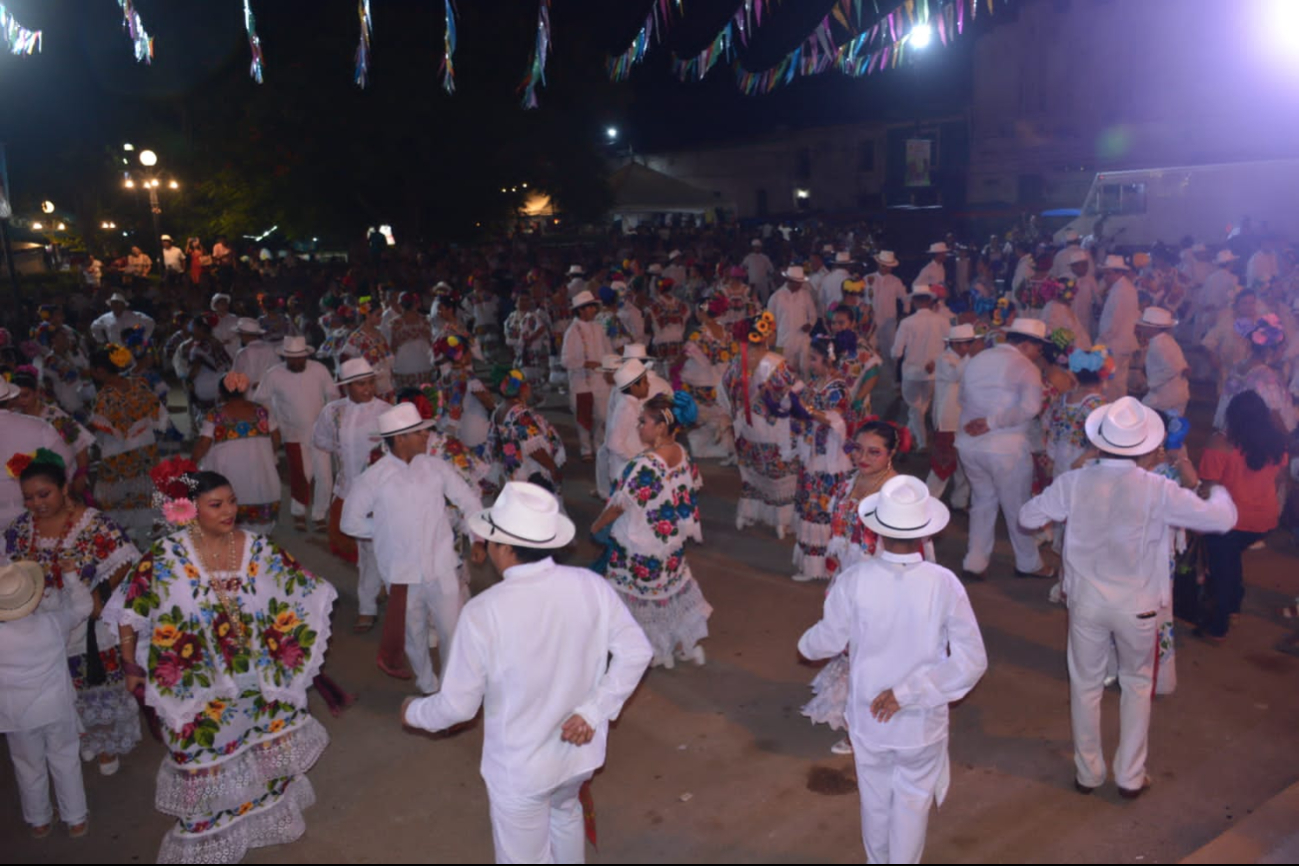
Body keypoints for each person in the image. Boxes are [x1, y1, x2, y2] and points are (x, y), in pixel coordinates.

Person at [401, 482, 652, 865]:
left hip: (522, 770)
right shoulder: (590, 585)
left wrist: (414, 711)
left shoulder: (484, 613)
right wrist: (594, 710)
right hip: (577, 758)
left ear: (503, 546)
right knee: (565, 816)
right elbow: (637, 651)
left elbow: (457, 708)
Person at [107, 469, 336, 863]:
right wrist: (130, 666)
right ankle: (210, 838)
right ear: (189, 509)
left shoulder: (255, 548)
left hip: (253, 678)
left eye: (231, 500)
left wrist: (288, 643)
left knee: (257, 744)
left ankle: (262, 820)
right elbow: (130, 613)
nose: (229, 510)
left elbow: (302, 589)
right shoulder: (165, 557)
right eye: (217, 504)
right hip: (196, 689)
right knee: (202, 759)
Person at [1020, 398, 1236, 799]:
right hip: (1138, 606)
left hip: (1086, 601)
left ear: (1099, 442)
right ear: (1146, 447)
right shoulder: (1158, 488)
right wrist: (1219, 490)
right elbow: (1222, 519)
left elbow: (1028, 517)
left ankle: (1088, 772)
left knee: (1085, 685)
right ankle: (1130, 776)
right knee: (1137, 685)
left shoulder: (1075, 482)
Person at [799, 475, 987, 864]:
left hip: (869, 720)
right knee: (912, 803)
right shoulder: (944, 583)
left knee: (875, 801)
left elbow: (827, 641)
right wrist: (908, 692)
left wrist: (805, 645)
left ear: (876, 531)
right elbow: (972, 661)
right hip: (921, 723)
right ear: (924, 534)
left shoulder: (855, 579)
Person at [4, 451, 142, 776]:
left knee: (98, 681)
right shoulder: (20, 530)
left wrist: (97, 595)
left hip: (91, 624)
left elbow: (126, 559)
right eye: (28, 498)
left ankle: (107, 743)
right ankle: (83, 737)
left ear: (64, 488)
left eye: (43, 494)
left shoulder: (92, 522)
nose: (36, 503)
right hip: (45, 624)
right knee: (66, 685)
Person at [342, 404, 484, 695]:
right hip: (400, 571)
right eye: (419, 432)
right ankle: (426, 683)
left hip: (442, 563)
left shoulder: (436, 467)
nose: (426, 436)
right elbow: (350, 521)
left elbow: (468, 501)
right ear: (400, 438)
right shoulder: (374, 477)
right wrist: (385, 532)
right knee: (413, 632)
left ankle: (448, 689)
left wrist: (477, 538)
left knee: (452, 630)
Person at [591, 392, 710, 669]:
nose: (638, 426)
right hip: (668, 544)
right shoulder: (681, 454)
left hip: (641, 544)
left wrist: (597, 523)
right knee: (667, 595)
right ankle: (680, 646)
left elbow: (621, 504)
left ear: (660, 427)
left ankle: (655, 651)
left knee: (640, 599)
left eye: (643, 421)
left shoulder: (646, 465)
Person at [956, 318, 1054, 580]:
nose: (1038, 354)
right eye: (1038, 348)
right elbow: (1031, 408)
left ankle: (975, 561)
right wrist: (991, 422)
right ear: (1025, 345)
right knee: (1017, 507)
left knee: (982, 502)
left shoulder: (979, 358)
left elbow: (962, 396)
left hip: (969, 443)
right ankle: (1028, 563)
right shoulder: (1025, 366)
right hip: (1005, 447)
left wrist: (980, 421)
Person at [0, 561, 92, 839]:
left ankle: (39, 819)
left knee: (28, 766)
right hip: (56, 708)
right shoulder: (52, 623)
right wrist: (71, 577)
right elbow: (82, 608)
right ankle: (75, 818)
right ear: (35, 594)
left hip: (16, 716)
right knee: (65, 759)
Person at [1197, 390, 1287, 641]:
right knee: (1230, 563)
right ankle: (1234, 606)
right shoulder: (1277, 445)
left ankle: (1219, 626)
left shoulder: (1220, 444)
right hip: (1264, 521)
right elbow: (1279, 480)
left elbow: (1209, 486)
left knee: (1224, 569)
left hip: (1228, 520)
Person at [312, 358, 392, 633]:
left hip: (382, 494)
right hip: (349, 490)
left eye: (370, 382)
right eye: (360, 384)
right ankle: (368, 604)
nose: (368, 388)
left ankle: (374, 604)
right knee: (364, 550)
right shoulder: (332, 412)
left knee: (383, 550)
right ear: (346, 386)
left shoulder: (386, 412)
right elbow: (321, 440)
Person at [724, 311, 800, 539]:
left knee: (751, 470)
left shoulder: (737, 362)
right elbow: (791, 396)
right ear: (767, 335)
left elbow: (726, 390)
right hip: (772, 428)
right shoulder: (776, 364)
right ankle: (781, 520)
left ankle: (746, 514)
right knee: (778, 472)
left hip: (747, 427)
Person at [253, 336, 339, 532]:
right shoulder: (273, 374)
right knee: (302, 474)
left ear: (306, 356)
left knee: (325, 477)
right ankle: (299, 512)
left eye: (300, 358)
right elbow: (260, 400)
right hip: (292, 433)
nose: (296, 362)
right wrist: (273, 423)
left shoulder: (319, 369)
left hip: (321, 433)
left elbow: (333, 394)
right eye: (292, 359)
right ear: (285, 357)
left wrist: (330, 418)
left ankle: (319, 515)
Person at [86, 346, 168, 541]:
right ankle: (149, 533)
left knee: (116, 496)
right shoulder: (138, 384)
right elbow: (159, 413)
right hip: (145, 446)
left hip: (117, 450)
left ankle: (123, 538)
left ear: (100, 371)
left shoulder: (105, 396)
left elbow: (98, 427)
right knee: (145, 490)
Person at [791, 334, 853, 583]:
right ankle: (813, 565)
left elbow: (834, 419)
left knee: (821, 509)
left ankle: (824, 566)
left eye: (814, 359)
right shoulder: (815, 382)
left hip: (827, 458)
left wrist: (805, 410)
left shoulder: (838, 388)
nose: (810, 363)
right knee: (811, 506)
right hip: (812, 454)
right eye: (809, 358)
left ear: (829, 359)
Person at [192, 373, 283, 534]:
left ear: (221, 393)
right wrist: (267, 456)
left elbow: (203, 444)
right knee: (259, 526)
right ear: (244, 391)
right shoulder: (262, 411)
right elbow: (276, 438)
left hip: (229, 474)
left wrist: (191, 463)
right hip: (260, 475)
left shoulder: (215, 414)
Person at [5, 366, 95, 498]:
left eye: (25, 395)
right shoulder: (16, 419)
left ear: (37, 392)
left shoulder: (55, 416)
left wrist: (81, 474)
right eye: (17, 397)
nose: (21, 401)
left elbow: (80, 444)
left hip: (66, 483)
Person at [1213, 314, 1295, 434]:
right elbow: (1274, 414)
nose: (1283, 353)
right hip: (1257, 439)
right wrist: (1287, 439)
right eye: (1282, 349)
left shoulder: (1237, 368)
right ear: (1269, 350)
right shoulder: (1266, 376)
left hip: (1235, 434)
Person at [679, 296, 737, 462]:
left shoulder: (700, 334)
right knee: (717, 417)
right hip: (721, 384)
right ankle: (722, 445)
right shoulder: (726, 333)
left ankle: (709, 448)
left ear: (702, 311)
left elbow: (684, 356)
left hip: (701, 384)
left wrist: (674, 368)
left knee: (702, 418)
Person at [925, 324, 977, 506]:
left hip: (963, 419)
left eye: (968, 343)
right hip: (947, 420)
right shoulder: (944, 359)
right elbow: (957, 375)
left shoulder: (968, 360)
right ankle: (928, 501)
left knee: (965, 464)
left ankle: (959, 501)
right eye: (962, 344)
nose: (965, 347)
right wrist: (971, 357)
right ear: (953, 344)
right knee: (943, 463)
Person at [892, 286, 949, 451]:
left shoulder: (907, 323)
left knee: (915, 408)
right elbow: (950, 346)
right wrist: (937, 362)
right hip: (933, 373)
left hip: (911, 373)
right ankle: (908, 439)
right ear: (930, 301)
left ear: (915, 301)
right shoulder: (943, 321)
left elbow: (896, 351)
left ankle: (921, 442)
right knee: (919, 409)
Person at [491, 370, 567, 493]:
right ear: (523, 389)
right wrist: (553, 468)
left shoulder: (500, 409)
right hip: (531, 472)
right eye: (527, 385)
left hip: (515, 470)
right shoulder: (520, 414)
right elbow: (533, 447)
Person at [561, 291, 614, 461]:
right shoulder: (572, 331)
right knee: (583, 416)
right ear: (581, 310)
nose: (593, 310)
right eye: (590, 307)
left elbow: (608, 351)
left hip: (600, 379)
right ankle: (586, 449)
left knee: (602, 415)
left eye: (593, 306)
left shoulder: (598, 327)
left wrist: (611, 369)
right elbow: (565, 360)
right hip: (580, 381)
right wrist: (584, 363)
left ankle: (599, 444)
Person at [599, 359, 653, 499]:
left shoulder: (632, 403)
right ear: (634, 387)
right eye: (645, 382)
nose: (648, 385)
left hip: (630, 468)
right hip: (625, 469)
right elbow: (614, 443)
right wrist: (634, 460)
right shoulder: (626, 407)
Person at [1135, 307, 1190, 416]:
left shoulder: (1158, 344)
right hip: (1176, 393)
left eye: (1145, 327)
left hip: (1165, 395)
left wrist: (1149, 384)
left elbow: (1173, 368)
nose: (1142, 329)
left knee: (1144, 417)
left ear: (1153, 329)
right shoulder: (1166, 340)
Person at [767, 265, 819, 376]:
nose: (800, 285)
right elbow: (770, 322)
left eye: (801, 282)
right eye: (797, 282)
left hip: (802, 339)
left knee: (805, 369)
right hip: (783, 341)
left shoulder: (805, 295)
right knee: (784, 371)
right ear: (789, 280)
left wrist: (810, 324)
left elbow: (813, 315)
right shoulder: (776, 297)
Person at [341, 298, 396, 400]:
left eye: (381, 314)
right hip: (369, 389)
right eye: (378, 315)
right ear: (368, 315)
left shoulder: (379, 334)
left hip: (386, 386)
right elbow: (345, 361)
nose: (381, 318)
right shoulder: (357, 337)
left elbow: (388, 358)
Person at [185, 315, 233, 430]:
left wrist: (188, 380)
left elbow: (194, 371)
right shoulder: (217, 343)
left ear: (200, 329)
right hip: (221, 388)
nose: (192, 331)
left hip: (205, 389)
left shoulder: (198, 348)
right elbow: (229, 363)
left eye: (194, 328)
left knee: (206, 422)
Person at [503, 290, 551, 393]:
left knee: (530, 376)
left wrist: (530, 340)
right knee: (518, 375)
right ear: (517, 301)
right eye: (522, 300)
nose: (524, 303)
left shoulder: (532, 316)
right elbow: (508, 334)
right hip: (517, 352)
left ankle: (534, 399)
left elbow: (541, 328)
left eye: (526, 300)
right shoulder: (511, 317)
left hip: (530, 352)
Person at [388, 291, 434, 391]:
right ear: (414, 303)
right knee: (425, 396)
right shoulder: (425, 321)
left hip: (404, 367)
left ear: (400, 305)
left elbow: (393, 347)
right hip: (424, 364)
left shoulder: (395, 324)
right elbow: (431, 343)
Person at [646, 278, 689, 372]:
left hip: (660, 343)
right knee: (676, 372)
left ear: (657, 289)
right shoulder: (682, 306)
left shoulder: (653, 306)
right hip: (678, 342)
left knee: (660, 374)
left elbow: (647, 326)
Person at [229, 317, 279, 392]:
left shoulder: (242, 353)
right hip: (269, 394)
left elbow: (235, 377)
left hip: (249, 396)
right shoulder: (270, 348)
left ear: (244, 335)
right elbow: (277, 370)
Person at [91, 294, 156, 347]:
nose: (116, 306)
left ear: (123, 305)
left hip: (132, 350)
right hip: (114, 352)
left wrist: (143, 339)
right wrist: (102, 341)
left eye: (118, 303)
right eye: (113, 303)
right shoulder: (105, 318)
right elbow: (94, 326)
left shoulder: (134, 316)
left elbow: (151, 323)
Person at [741, 238, 775, 304]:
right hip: (752, 283)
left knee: (765, 300)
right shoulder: (748, 257)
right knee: (752, 301)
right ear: (752, 248)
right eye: (755, 247)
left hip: (763, 282)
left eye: (758, 247)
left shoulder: (765, 258)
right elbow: (743, 267)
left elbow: (771, 270)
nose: (757, 249)